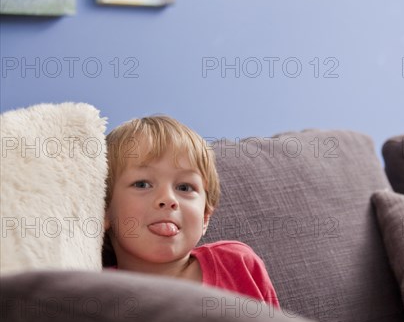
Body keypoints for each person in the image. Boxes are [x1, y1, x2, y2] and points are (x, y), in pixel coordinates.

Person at [102, 115, 279, 308]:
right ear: (104, 211)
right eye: (142, 184)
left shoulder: (239, 265)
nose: (168, 199)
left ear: (205, 217)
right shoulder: (99, 295)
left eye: (185, 187)